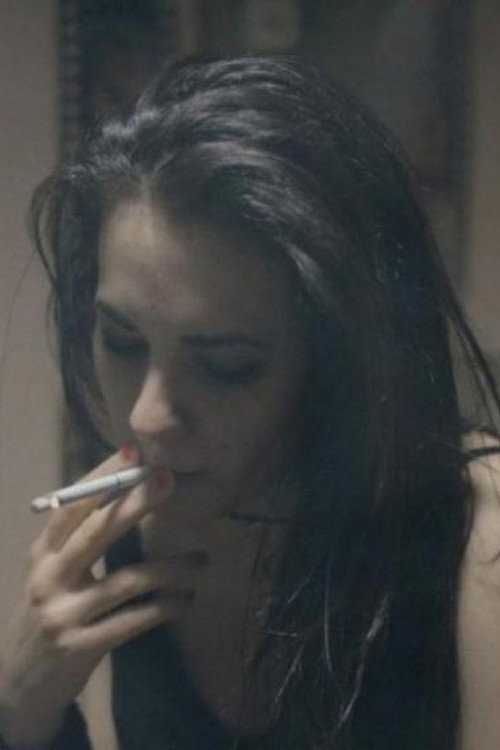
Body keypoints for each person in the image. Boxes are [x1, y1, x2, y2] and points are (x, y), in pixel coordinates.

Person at [0, 54, 499, 750]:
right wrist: (23, 702)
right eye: (123, 341)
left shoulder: (477, 540)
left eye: (225, 367)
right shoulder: (144, 531)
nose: (146, 417)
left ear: (339, 364)